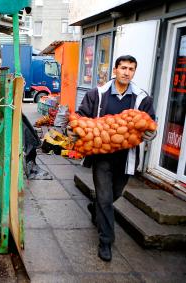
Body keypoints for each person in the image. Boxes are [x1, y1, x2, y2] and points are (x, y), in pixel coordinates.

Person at [72, 55, 157, 262]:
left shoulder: (141, 98)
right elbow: (81, 116)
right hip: (102, 157)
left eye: (131, 69)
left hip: (126, 157)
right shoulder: (97, 94)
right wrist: (75, 130)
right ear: (115, 70)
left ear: (134, 72)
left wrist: (150, 134)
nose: (127, 72)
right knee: (105, 197)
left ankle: (95, 208)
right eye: (123, 68)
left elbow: (152, 124)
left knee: (115, 194)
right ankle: (106, 241)